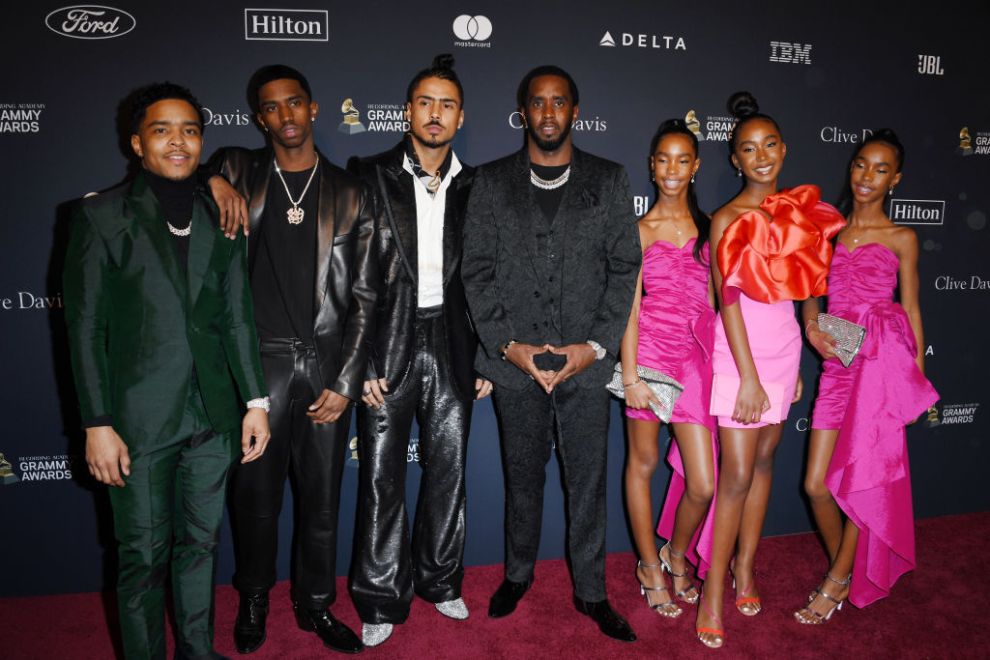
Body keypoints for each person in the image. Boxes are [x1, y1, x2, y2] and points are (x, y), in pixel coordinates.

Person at [63, 82, 271, 660]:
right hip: (136, 422)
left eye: (189, 131)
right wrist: (97, 422)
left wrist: (256, 401)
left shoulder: (221, 214)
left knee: (201, 548)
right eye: (162, 130)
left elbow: (238, 319)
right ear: (136, 143)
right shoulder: (99, 216)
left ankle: (198, 652)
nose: (178, 142)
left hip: (214, 416)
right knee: (143, 557)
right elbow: (83, 329)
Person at [461, 65, 641, 642]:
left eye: (558, 102)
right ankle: (517, 575)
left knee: (587, 483)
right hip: (515, 370)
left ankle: (591, 592)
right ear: (523, 112)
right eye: (537, 102)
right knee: (522, 480)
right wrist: (506, 348)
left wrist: (594, 348)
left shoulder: (609, 180)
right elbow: (477, 271)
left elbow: (624, 269)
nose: (547, 113)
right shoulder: (489, 182)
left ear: (574, 112)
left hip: (585, 370)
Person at [205, 65, 377, 655]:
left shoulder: (350, 190)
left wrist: (348, 378)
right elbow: (180, 177)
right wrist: (213, 183)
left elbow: (364, 295)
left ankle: (315, 605)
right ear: (260, 118)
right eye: (272, 108)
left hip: (325, 365)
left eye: (294, 103)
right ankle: (254, 596)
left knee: (322, 499)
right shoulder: (237, 168)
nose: (285, 116)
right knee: (255, 499)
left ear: (314, 108)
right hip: (259, 366)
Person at [345, 54, 491, 648]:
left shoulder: (476, 186)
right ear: (408, 110)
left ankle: (439, 581)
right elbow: (349, 276)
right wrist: (361, 362)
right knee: (380, 476)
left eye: (447, 105)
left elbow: (486, 277)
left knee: (449, 472)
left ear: (462, 116)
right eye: (426, 103)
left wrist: (483, 355)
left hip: (454, 344)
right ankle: (380, 595)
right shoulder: (369, 174)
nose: (435, 114)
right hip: (388, 343)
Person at [696, 91, 844, 649]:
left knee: (763, 464)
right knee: (733, 475)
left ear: (784, 149)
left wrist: (809, 333)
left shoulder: (802, 212)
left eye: (770, 146)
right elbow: (726, 300)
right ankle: (713, 591)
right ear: (734, 158)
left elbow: (809, 289)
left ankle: (746, 569)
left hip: (783, 349)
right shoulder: (726, 219)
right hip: (740, 354)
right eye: (748, 149)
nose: (761, 156)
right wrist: (751, 376)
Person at [796, 130, 938, 623]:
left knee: (861, 478)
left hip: (879, 370)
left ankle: (836, 579)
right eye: (861, 164)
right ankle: (851, 568)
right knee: (817, 485)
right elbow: (809, 289)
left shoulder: (903, 237)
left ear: (895, 179)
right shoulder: (827, 230)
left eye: (880, 169)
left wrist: (913, 385)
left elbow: (913, 310)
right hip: (837, 365)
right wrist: (812, 323)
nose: (867, 177)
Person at [619, 119, 717, 620]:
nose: (672, 169)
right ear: (652, 165)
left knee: (703, 483)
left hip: (696, 363)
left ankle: (675, 554)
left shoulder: (711, 229)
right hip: (650, 360)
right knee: (643, 465)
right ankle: (648, 569)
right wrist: (631, 376)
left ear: (696, 166)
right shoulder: (639, 231)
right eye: (664, 159)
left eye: (683, 159)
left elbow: (725, 307)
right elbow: (630, 311)